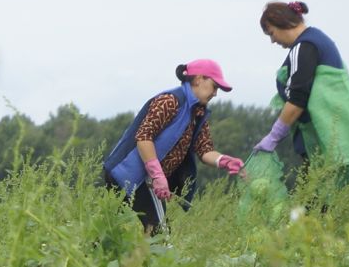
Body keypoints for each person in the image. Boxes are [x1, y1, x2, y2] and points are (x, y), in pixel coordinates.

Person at [102, 60, 246, 234]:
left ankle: (128, 259)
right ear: (199, 79)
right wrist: (157, 175)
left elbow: (205, 150)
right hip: (130, 174)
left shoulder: (198, 113)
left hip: (146, 180)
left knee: (112, 231)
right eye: (214, 86)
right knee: (159, 232)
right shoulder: (170, 101)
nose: (215, 93)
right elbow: (144, 137)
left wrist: (224, 161)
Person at [253, 1, 349, 177]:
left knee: (314, 201)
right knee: (329, 200)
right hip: (338, 139)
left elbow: (298, 98)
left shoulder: (304, 46)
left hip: (320, 141)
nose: (273, 41)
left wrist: (274, 136)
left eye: (271, 33)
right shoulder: (319, 40)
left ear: (282, 23)